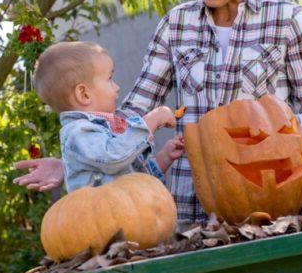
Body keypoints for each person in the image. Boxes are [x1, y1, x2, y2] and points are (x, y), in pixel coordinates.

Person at [15, 0, 302, 223]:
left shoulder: (287, 21)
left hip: (275, 201)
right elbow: (133, 114)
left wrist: (275, 137)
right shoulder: (176, 25)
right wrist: (77, 161)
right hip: (192, 207)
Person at [30, 41, 185, 192]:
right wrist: (152, 120)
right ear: (84, 94)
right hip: (114, 216)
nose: (117, 87)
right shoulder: (78, 133)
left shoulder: (107, 129)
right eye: (109, 79)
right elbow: (115, 157)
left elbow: (132, 174)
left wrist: (164, 158)